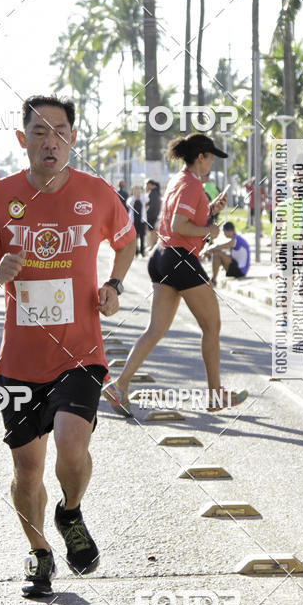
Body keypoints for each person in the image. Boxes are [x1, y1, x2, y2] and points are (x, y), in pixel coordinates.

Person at [0, 95, 135, 597]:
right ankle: (39, 553)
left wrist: (114, 285)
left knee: (71, 443)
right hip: (20, 361)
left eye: (60, 132)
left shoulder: (96, 192)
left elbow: (126, 241)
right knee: (26, 469)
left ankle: (71, 511)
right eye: (40, 132)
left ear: (73, 139)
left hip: (80, 353)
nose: (51, 142)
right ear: (23, 139)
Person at [103, 133, 248, 416]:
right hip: (180, 259)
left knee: (155, 329)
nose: (212, 164)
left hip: (161, 256)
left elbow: (179, 221)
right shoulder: (192, 185)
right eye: (210, 158)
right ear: (200, 157)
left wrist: (211, 212)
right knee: (212, 327)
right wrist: (209, 230)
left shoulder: (178, 180)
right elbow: (179, 225)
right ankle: (215, 394)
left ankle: (119, 386)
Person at [204, 221, 250, 286]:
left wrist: (209, 250)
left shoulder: (237, 239)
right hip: (237, 268)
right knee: (217, 253)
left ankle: (213, 280)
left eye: (224, 231)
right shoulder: (235, 239)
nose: (224, 233)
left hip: (240, 271)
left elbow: (224, 246)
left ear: (229, 231)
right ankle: (213, 279)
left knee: (217, 253)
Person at [128, 185, 146, 256]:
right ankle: (136, 250)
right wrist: (134, 197)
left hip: (141, 220)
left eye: (138, 190)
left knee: (142, 236)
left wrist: (141, 194)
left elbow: (147, 199)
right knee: (134, 236)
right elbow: (128, 204)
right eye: (135, 190)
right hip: (134, 220)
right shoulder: (131, 199)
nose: (137, 192)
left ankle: (142, 251)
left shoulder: (143, 197)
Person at [145, 180, 161, 249]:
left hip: (151, 215)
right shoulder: (157, 192)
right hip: (155, 215)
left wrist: (147, 211)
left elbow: (152, 205)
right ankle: (153, 246)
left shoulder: (152, 192)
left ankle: (152, 246)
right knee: (154, 231)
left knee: (151, 231)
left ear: (150, 184)